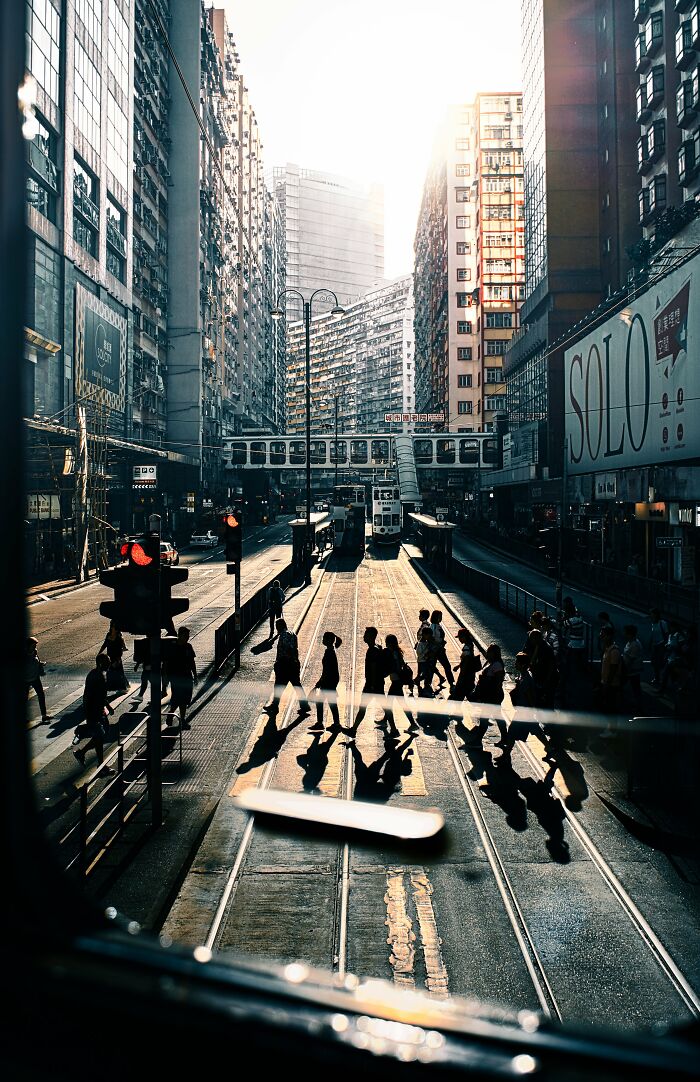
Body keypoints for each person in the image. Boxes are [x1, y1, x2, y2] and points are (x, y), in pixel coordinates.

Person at [73, 654, 115, 773]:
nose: (109, 663)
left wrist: (107, 706)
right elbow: (91, 696)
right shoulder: (97, 676)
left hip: (97, 710)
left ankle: (82, 753)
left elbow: (99, 695)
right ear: (101, 663)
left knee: (101, 734)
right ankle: (101, 766)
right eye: (107, 661)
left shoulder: (96, 674)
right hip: (94, 712)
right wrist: (91, 712)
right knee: (100, 736)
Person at [465, 642, 506, 746]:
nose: (487, 653)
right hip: (490, 695)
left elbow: (498, 682)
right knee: (498, 717)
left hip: (493, 695)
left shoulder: (497, 665)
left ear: (494, 653)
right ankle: (505, 738)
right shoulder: (491, 663)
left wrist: (495, 697)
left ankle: (478, 740)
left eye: (489, 652)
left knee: (484, 719)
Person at [271, 618, 310, 715]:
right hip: (293, 664)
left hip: (285, 665)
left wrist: (279, 662)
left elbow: (287, 650)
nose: (276, 629)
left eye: (277, 627)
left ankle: (274, 707)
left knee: (279, 687)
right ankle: (304, 705)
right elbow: (295, 649)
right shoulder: (293, 634)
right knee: (297, 686)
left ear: (280, 626)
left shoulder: (284, 636)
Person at [351, 626, 386, 732]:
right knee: (384, 705)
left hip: (372, 684)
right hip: (377, 683)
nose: (363, 637)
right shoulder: (378, 647)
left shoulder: (372, 650)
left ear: (371, 636)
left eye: (366, 635)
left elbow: (374, 668)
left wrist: (372, 685)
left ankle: (353, 730)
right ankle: (353, 729)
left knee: (363, 707)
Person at [165, 626, 197, 729]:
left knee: (185, 699)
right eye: (185, 636)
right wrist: (166, 679)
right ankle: (180, 719)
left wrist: (195, 675)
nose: (187, 638)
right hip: (176, 678)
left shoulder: (188, 647)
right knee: (179, 699)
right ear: (180, 635)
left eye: (188, 636)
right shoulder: (173, 647)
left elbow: (192, 662)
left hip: (187, 677)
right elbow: (167, 664)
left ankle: (173, 715)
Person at [382, 634, 413, 736]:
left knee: (388, 705)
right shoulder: (396, 652)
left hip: (396, 682)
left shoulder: (394, 653)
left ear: (390, 643)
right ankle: (413, 724)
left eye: (387, 642)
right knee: (402, 704)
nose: (386, 644)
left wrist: (387, 671)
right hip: (397, 682)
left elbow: (396, 667)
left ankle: (394, 730)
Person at [311, 631, 342, 731]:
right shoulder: (330, 651)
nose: (322, 640)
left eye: (324, 638)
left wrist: (320, 681)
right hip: (331, 680)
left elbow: (327, 669)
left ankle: (322, 723)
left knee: (322, 701)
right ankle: (335, 724)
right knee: (331, 702)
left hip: (329, 680)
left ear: (329, 640)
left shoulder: (330, 652)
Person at [598, 628, 623, 736]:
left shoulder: (614, 651)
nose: (601, 637)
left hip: (611, 684)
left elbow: (613, 669)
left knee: (611, 707)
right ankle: (609, 728)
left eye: (603, 635)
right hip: (606, 682)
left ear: (609, 636)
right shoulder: (607, 648)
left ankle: (613, 730)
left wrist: (607, 684)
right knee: (607, 706)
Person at [450, 628, 480, 701]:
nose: (459, 639)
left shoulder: (466, 647)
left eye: (460, 637)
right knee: (468, 691)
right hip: (470, 674)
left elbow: (466, 660)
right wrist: (458, 666)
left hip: (465, 675)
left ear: (464, 637)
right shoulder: (470, 645)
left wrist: (462, 676)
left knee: (459, 694)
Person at [25, 636, 50, 723]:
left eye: (35, 645)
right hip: (26, 679)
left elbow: (37, 661)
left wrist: (41, 665)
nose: (35, 647)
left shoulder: (34, 652)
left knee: (41, 695)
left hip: (35, 678)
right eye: (33, 645)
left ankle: (44, 715)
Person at [100, 619, 128, 692]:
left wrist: (118, 660)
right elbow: (105, 644)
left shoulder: (119, 639)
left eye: (114, 627)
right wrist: (99, 653)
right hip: (110, 657)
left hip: (116, 658)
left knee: (118, 673)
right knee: (112, 673)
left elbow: (119, 651)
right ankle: (114, 686)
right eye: (112, 626)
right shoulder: (108, 635)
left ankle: (122, 687)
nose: (112, 628)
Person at [429, 609, 454, 688]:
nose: (441, 618)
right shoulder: (434, 626)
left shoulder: (436, 625)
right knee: (446, 666)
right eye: (439, 617)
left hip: (437, 649)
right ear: (436, 617)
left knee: (433, 667)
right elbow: (432, 638)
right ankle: (451, 683)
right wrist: (440, 644)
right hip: (437, 650)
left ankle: (428, 684)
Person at [622, 624, 643, 712]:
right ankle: (637, 704)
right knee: (635, 687)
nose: (624, 634)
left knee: (635, 688)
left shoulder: (634, 644)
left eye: (626, 633)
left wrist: (623, 669)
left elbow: (630, 660)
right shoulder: (630, 642)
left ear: (630, 634)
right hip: (629, 670)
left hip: (632, 670)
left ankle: (638, 706)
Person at [648, 608, 669, 686]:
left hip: (661, 644)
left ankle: (661, 678)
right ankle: (657, 677)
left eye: (652, 614)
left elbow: (666, 634)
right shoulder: (653, 623)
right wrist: (650, 643)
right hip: (655, 644)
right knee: (654, 662)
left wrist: (666, 644)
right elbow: (653, 634)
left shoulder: (662, 623)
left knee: (660, 662)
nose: (651, 615)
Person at [415, 626, 436, 696]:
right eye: (428, 635)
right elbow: (419, 654)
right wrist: (426, 653)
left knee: (425, 673)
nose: (429, 637)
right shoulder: (420, 644)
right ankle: (424, 686)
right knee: (425, 674)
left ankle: (419, 682)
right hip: (422, 662)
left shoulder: (426, 642)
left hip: (425, 661)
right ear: (424, 635)